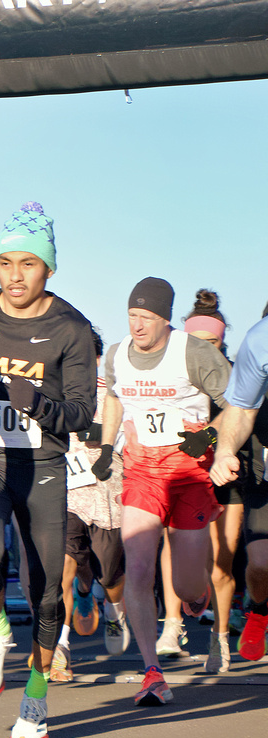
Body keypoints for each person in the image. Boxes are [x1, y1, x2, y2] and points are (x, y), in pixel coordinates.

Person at [0, 202, 97, 738]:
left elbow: (81, 414)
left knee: (47, 592)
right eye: (5, 263)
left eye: (27, 264)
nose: (14, 275)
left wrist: (39, 403)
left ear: (48, 267)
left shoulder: (70, 329)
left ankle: (35, 698)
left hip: (43, 464)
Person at [93, 277, 230, 705]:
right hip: (141, 470)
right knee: (138, 566)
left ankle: (197, 597)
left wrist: (207, 436)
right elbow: (114, 398)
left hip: (188, 469)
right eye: (132, 316)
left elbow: (238, 405)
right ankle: (151, 670)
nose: (137, 325)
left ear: (166, 320)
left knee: (186, 584)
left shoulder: (194, 352)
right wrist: (104, 446)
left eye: (147, 318)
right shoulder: (117, 354)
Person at [56, 328, 128, 683]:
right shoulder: (55, 392)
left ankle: (113, 609)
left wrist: (101, 436)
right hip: (68, 494)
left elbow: (128, 436)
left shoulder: (114, 393)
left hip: (107, 495)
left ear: (96, 357)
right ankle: (61, 649)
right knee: (64, 569)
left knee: (110, 574)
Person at [183, 289, 241, 673]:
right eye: (197, 343)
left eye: (213, 343)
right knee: (204, 565)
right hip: (191, 475)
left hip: (231, 474)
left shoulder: (238, 375)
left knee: (224, 563)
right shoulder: (176, 376)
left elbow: (245, 419)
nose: (206, 350)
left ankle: (219, 641)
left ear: (223, 343)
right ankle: (196, 595)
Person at [210, 305, 268, 664]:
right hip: (265, 469)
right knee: (260, 564)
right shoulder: (260, 339)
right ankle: (259, 609)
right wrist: (225, 450)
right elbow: (241, 409)